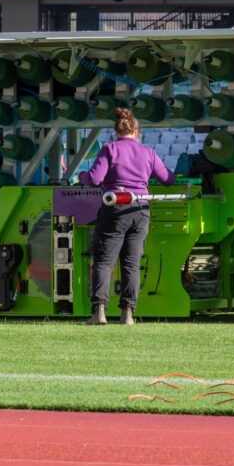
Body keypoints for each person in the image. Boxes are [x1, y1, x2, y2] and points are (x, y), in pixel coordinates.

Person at [78, 108, 174, 325]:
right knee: (131, 263)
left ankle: (99, 313)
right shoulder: (148, 152)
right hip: (140, 210)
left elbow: (94, 179)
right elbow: (168, 179)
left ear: (116, 131)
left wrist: (82, 175)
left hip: (116, 208)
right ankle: (128, 314)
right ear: (136, 131)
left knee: (104, 262)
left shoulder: (109, 149)